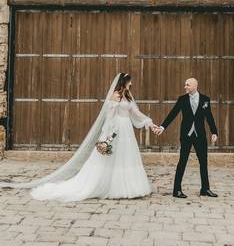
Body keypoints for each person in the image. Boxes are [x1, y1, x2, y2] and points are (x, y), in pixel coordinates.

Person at [19, 73, 160, 201]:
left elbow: (136, 113)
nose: (131, 84)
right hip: (116, 128)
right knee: (111, 158)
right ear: (123, 83)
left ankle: (132, 187)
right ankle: (111, 187)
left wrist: (150, 123)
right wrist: (108, 135)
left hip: (127, 129)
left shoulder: (128, 96)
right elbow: (110, 117)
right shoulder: (115, 96)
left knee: (126, 156)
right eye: (129, 82)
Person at [154, 77, 218, 199]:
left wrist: (214, 132)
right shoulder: (182, 100)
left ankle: (205, 188)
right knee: (182, 162)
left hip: (200, 135)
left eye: (187, 85)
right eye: (185, 85)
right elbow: (173, 113)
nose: (185, 87)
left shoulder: (205, 100)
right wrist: (162, 127)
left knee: (203, 162)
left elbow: (209, 117)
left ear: (195, 86)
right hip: (186, 136)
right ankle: (176, 190)